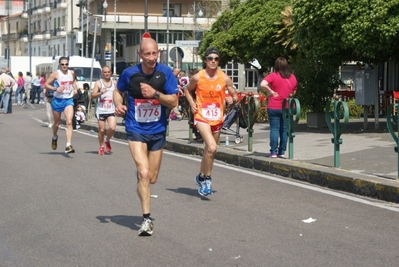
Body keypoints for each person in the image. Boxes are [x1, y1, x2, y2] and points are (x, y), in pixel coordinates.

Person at [114, 37, 178, 236]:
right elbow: (118, 91)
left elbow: (174, 101)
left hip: (157, 131)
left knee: (152, 178)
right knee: (143, 172)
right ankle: (147, 219)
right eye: (147, 54)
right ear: (139, 55)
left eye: (155, 53)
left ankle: (143, 182)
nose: (151, 57)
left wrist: (155, 94)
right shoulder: (129, 73)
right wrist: (118, 104)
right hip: (135, 128)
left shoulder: (165, 73)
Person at [185, 47, 238, 196]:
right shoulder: (198, 77)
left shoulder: (224, 78)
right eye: (210, 58)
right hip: (202, 116)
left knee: (210, 151)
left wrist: (230, 100)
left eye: (216, 59)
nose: (213, 61)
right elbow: (187, 90)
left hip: (217, 117)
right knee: (213, 147)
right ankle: (207, 179)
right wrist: (191, 103)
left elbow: (235, 95)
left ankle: (201, 176)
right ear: (206, 61)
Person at [259, 57, 297, 158]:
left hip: (274, 106)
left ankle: (273, 152)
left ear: (276, 66)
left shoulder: (273, 76)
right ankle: (282, 151)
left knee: (274, 129)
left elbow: (262, 84)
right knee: (285, 130)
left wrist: (271, 92)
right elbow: (294, 91)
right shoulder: (292, 77)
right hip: (288, 107)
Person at [44, 56, 78, 153]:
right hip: (58, 100)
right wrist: (56, 89)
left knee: (69, 122)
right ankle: (54, 137)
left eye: (66, 64)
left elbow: (74, 80)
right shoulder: (56, 74)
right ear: (59, 65)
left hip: (68, 99)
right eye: (62, 64)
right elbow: (46, 84)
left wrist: (75, 88)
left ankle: (68, 145)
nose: (64, 66)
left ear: (68, 64)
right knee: (57, 123)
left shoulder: (71, 73)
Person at [91, 66, 117, 155]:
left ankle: (107, 140)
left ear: (111, 73)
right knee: (102, 130)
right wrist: (100, 92)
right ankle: (101, 146)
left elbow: (118, 95)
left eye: (108, 72)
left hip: (111, 109)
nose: (107, 73)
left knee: (112, 127)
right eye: (105, 72)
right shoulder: (99, 83)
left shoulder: (114, 83)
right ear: (102, 73)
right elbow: (92, 96)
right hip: (101, 110)